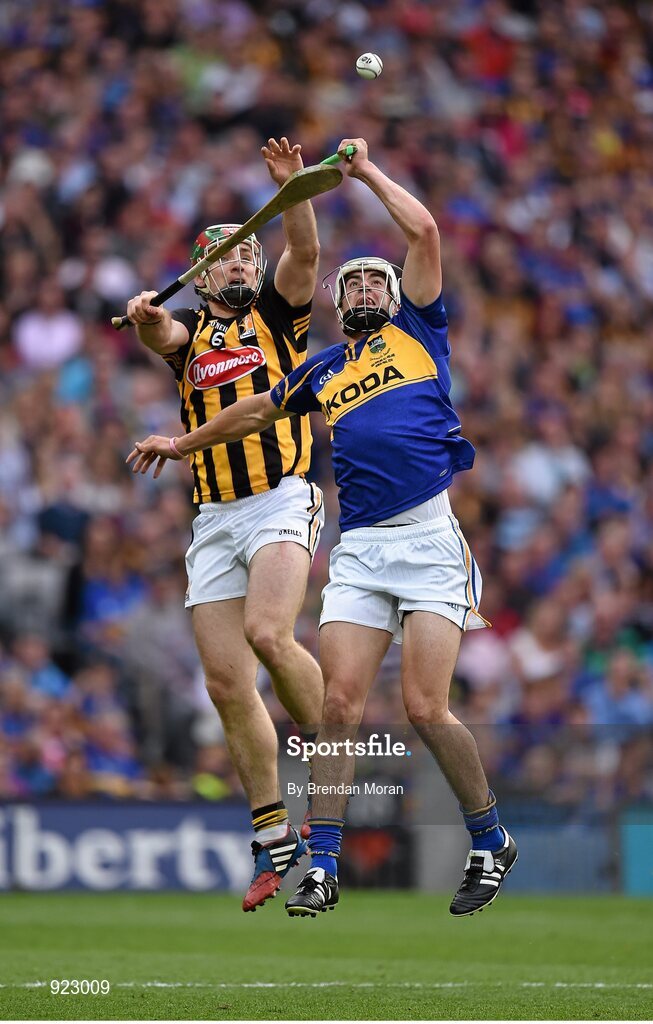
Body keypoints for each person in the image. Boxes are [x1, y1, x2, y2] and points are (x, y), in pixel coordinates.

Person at [128, 138, 517, 919]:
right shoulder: (322, 367)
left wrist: (347, 176)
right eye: (359, 280)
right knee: (324, 706)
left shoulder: (418, 332)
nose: (370, 286)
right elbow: (244, 402)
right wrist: (178, 435)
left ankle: (488, 835)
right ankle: (316, 860)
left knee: (417, 707)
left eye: (379, 279)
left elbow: (409, 237)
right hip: (347, 544)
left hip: (402, 529)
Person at [125, 138, 325, 913]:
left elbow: (302, 248)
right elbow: (160, 337)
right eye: (227, 262)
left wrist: (292, 189)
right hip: (214, 517)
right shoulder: (189, 339)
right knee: (225, 682)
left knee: (272, 636)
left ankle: (336, 752)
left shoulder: (279, 315)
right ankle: (274, 837)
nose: (242, 269)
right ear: (202, 276)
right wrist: (146, 317)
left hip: (280, 494)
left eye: (247, 258)